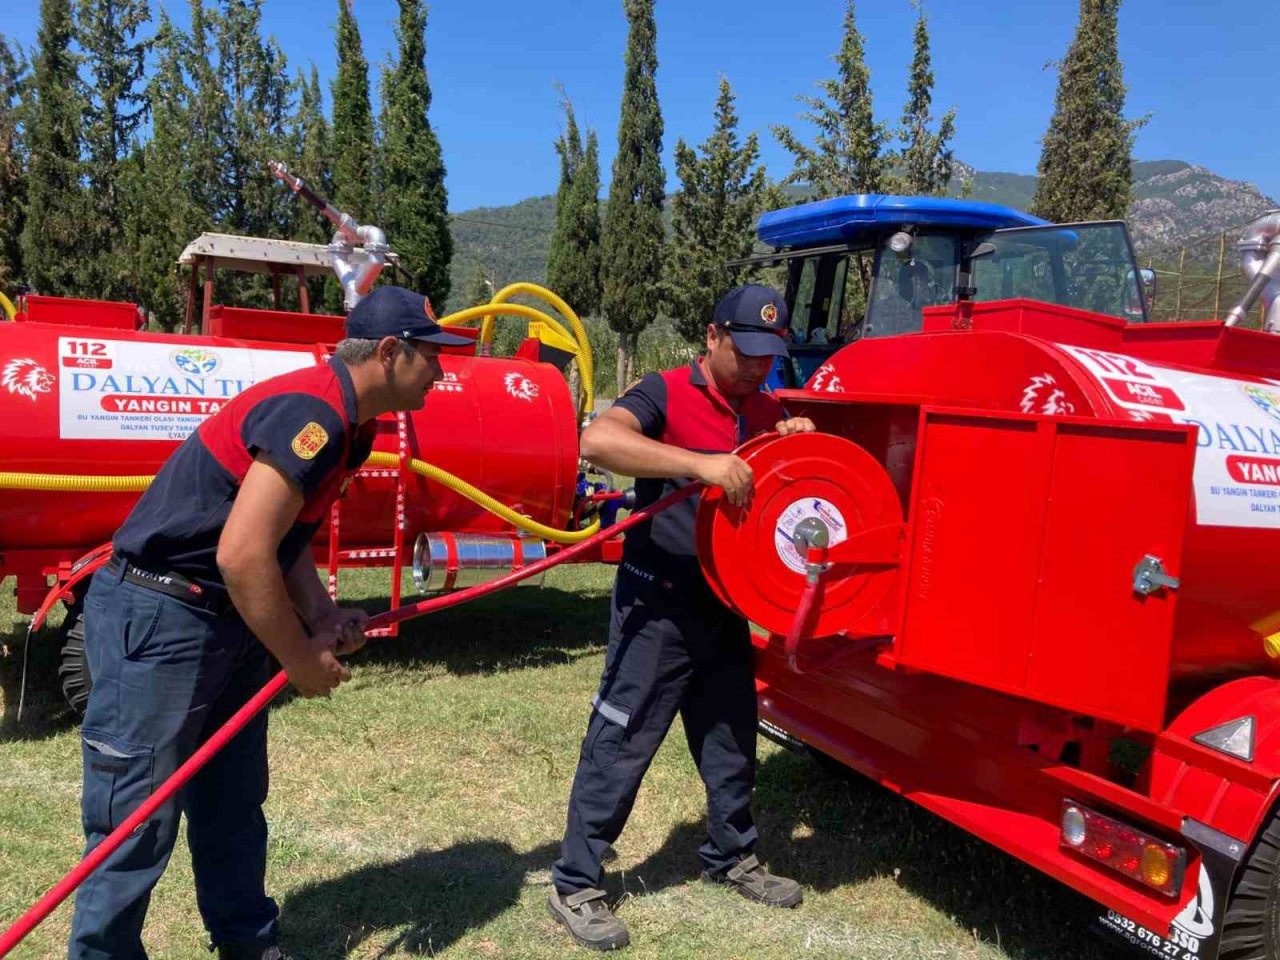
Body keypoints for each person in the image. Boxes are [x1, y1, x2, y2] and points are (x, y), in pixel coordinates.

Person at [68, 286, 470, 960]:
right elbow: (242, 551)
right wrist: (298, 659)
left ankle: (248, 945)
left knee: (231, 806)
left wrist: (321, 612)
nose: (442, 372)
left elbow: (283, 543)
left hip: (220, 619)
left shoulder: (352, 426)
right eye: (433, 356)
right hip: (164, 613)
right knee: (133, 822)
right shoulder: (313, 414)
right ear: (391, 353)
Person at [547, 284, 817, 950]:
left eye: (768, 355)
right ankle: (575, 883)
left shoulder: (767, 407)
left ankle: (733, 856)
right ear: (712, 335)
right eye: (745, 352)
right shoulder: (664, 391)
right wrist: (698, 464)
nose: (756, 367)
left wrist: (796, 438)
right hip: (657, 599)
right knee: (622, 739)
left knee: (730, 738)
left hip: (726, 603)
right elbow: (597, 441)